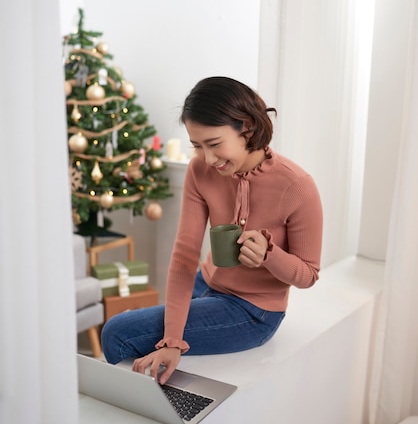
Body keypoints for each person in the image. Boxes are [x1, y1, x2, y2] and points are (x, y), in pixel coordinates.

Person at [101, 77, 323, 385]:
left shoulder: (297, 186)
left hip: (253, 311)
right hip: (204, 283)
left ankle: (143, 417)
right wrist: (173, 341)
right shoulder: (200, 170)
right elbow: (184, 255)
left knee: (118, 333)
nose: (208, 158)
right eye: (197, 145)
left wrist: (269, 255)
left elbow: (308, 275)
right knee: (123, 330)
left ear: (247, 128)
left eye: (215, 144)